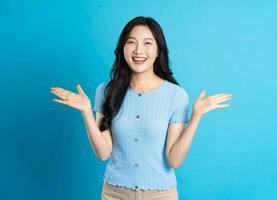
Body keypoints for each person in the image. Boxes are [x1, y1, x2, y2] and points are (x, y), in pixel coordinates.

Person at [50, 16, 233, 200]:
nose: (138, 50)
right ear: (123, 48)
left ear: (158, 51)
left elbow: (174, 160)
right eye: (131, 42)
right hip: (114, 193)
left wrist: (195, 117)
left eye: (147, 43)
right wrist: (86, 113)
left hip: (161, 195)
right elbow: (103, 153)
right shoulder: (105, 91)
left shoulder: (176, 96)